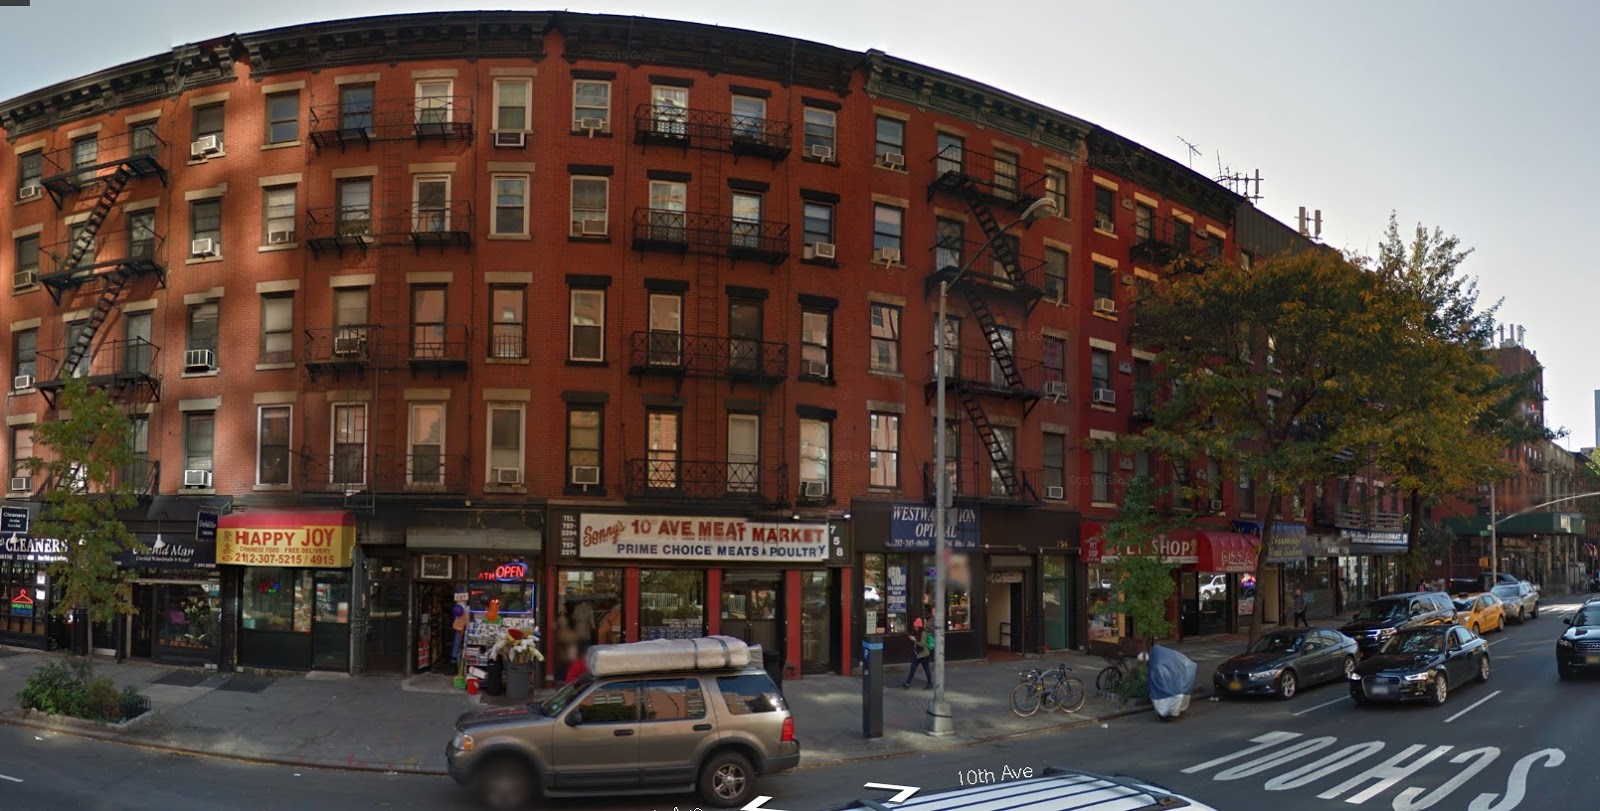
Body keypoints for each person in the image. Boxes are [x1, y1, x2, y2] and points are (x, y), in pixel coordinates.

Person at [901, 617, 934, 689]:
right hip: (917, 653)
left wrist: (914, 640)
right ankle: (908, 683)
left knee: (926, 669)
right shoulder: (916, 633)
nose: (914, 628)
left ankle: (929, 683)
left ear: (919, 627)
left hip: (923, 654)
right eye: (914, 626)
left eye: (915, 626)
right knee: (912, 668)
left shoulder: (923, 633)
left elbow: (922, 644)